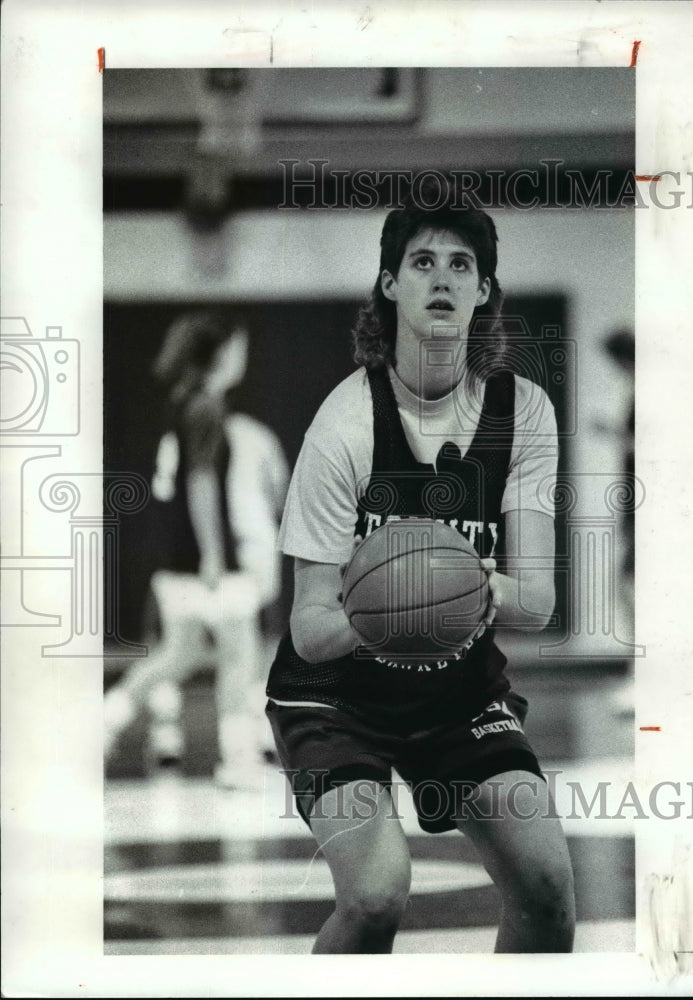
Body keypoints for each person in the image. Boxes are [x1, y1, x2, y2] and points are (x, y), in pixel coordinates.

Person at [265, 185, 576, 953]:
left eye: (460, 264)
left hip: (456, 691)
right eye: (422, 260)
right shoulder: (344, 424)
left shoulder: (522, 412)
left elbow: (534, 603)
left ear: (483, 291)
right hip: (337, 699)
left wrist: (457, 585)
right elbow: (309, 627)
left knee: (546, 891)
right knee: (375, 896)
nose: (441, 277)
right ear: (389, 284)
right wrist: (397, 604)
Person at [104, 311, 289, 789]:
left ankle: (103, 720)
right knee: (238, 654)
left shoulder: (180, 401)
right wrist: (212, 554)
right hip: (203, 559)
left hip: (171, 556)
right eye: (239, 349)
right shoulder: (206, 407)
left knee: (179, 652)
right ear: (220, 354)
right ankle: (237, 761)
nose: (242, 359)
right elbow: (201, 480)